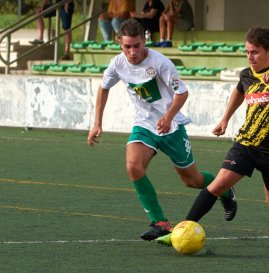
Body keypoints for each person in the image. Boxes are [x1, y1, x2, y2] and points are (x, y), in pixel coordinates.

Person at [157, 26, 269, 246]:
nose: (250, 57)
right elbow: (239, 91)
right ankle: (180, 230)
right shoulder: (246, 74)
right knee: (217, 185)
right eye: (247, 52)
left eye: (255, 52)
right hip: (246, 144)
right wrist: (225, 118)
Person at [87, 18, 237, 241]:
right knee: (133, 166)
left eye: (137, 46)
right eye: (127, 46)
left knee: (192, 180)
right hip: (145, 125)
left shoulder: (160, 63)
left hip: (172, 127)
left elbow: (182, 92)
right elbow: (103, 88)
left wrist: (168, 117)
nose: (132, 52)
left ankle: (224, 191)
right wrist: (97, 122)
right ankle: (160, 222)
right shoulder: (117, 63)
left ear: (144, 41)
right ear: (120, 43)